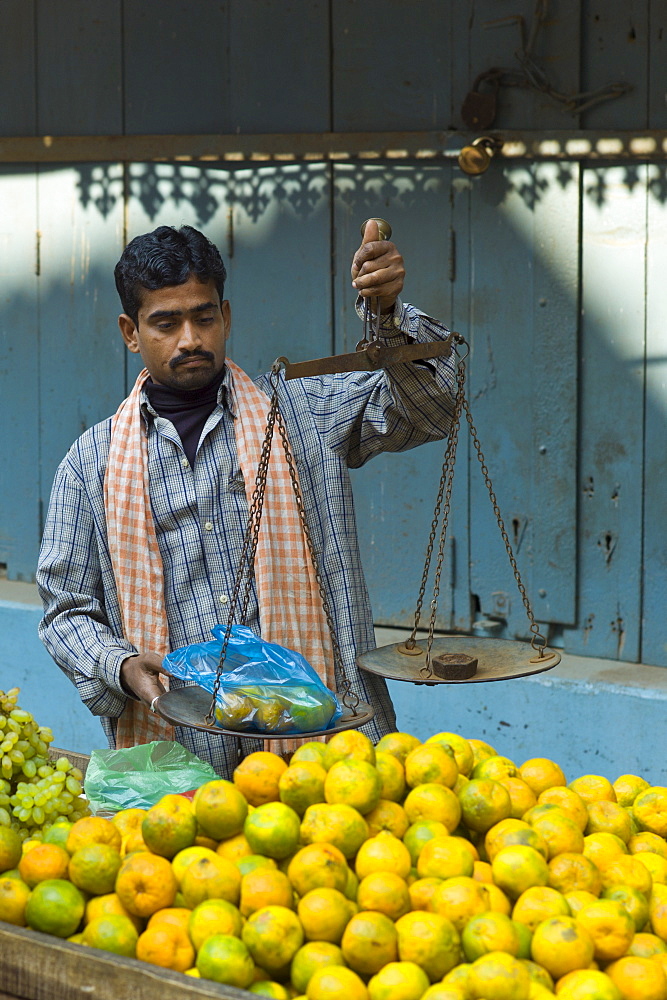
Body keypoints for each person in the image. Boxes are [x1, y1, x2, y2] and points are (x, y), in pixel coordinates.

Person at [37, 220, 456, 777]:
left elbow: (435, 405)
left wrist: (387, 316)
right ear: (130, 332)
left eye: (203, 317)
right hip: (178, 768)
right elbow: (66, 611)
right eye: (166, 322)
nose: (190, 338)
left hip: (327, 759)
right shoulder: (90, 465)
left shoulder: (303, 413)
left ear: (225, 317)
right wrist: (119, 665)